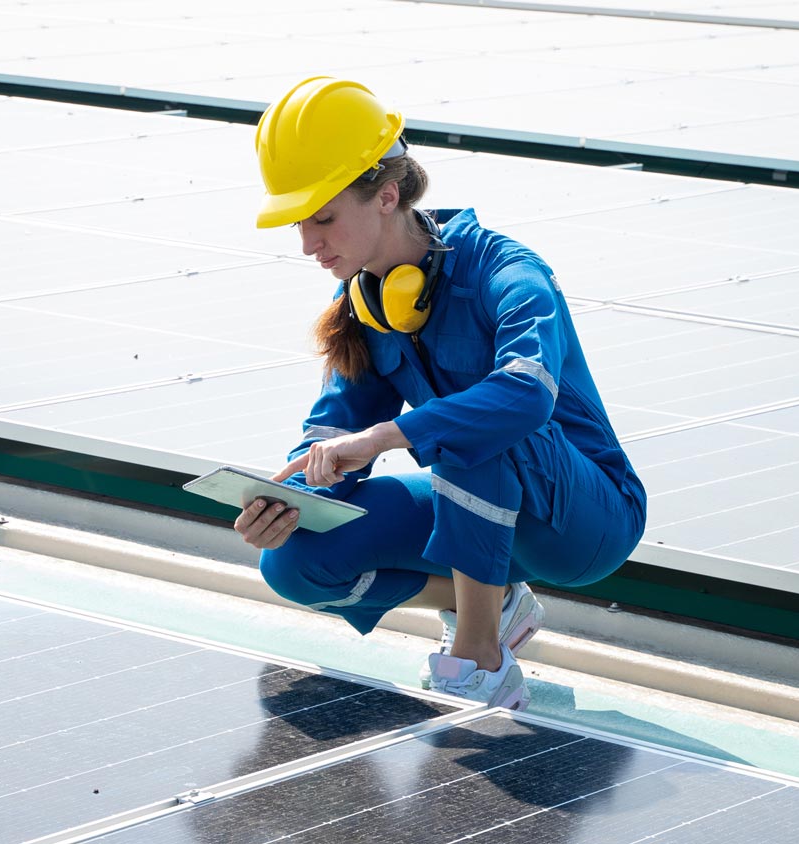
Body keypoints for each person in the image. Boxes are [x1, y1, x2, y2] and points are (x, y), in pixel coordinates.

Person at [234, 77, 647, 710]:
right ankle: (487, 599)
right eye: (299, 222)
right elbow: (335, 426)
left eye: (323, 217)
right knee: (294, 563)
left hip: (585, 521)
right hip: (475, 502)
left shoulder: (509, 273)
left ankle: (480, 657)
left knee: (473, 419)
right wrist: (292, 499)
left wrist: (390, 436)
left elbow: (525, 397)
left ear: (387, 195)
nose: (308, 243)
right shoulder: (361, 305)